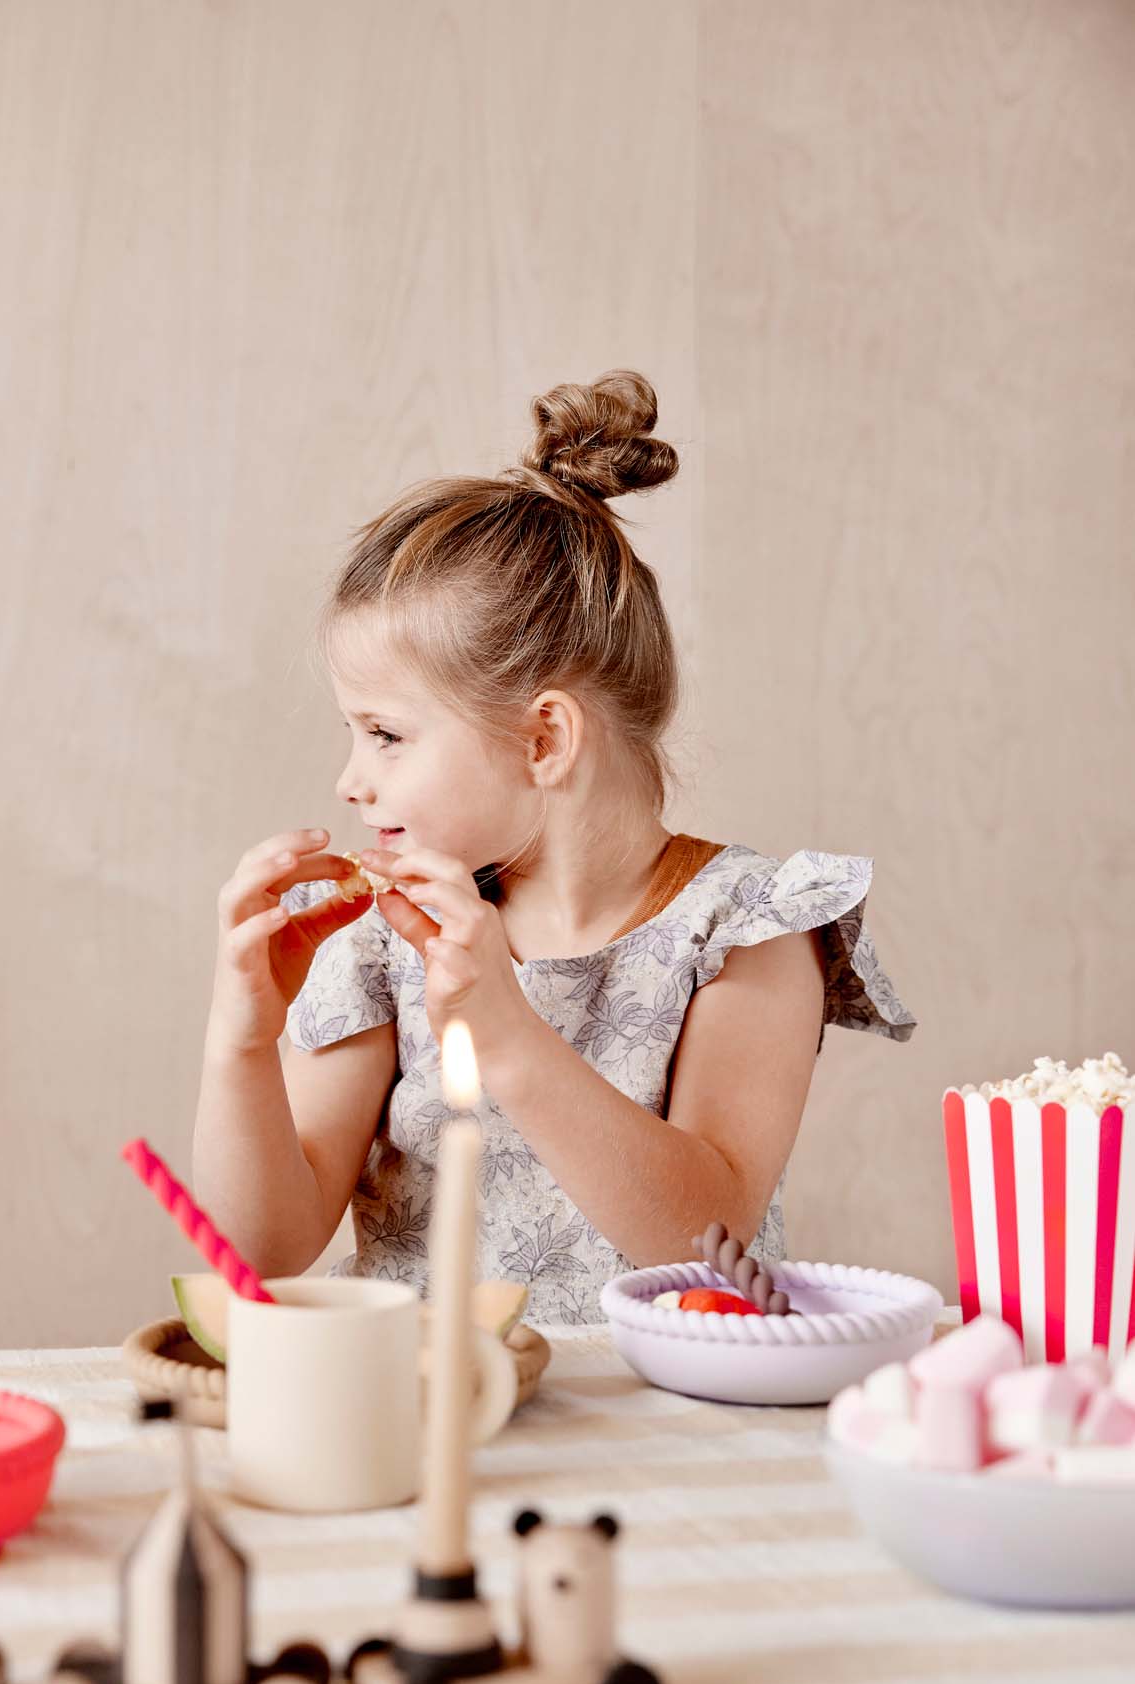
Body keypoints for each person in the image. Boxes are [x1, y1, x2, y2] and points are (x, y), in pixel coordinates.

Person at [192, 370, 916, 1324]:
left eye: (386, 734)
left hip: (666, 1426)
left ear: (543, 740)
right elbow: (265, 1248)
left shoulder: (748, 927)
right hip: (428, 1426)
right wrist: (240, 1040)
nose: (351, 781)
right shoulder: (381, 940)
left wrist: (502, 1027)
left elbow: (709, 1234)